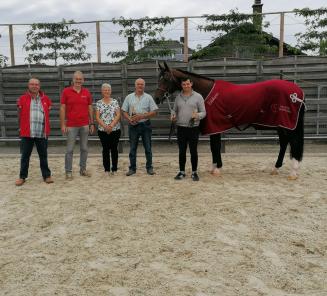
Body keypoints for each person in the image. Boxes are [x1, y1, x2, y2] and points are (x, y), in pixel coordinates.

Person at [15, 78, 54, 186]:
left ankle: (46, 176)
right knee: (25, 156)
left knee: (43, 155)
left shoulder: (46, 99)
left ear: (39, 86)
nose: (34, 86)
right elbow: (19, 114)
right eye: (32, 84)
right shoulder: (22, 98)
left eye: (36, 84)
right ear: (28, 85)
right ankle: (22, 177)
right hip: (27, 133)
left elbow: (48, 111)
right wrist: (20, 128)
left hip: (42, 133)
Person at [60, 71, 94, 180]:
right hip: (71, 125)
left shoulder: (86, 92)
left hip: (84, 125)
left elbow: (90, 107)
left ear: (83, 80)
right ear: (73, 79)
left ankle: (83, 169)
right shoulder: (66, 91)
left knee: (84, 148)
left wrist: (91, 123)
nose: (78, 81)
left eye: (80, 79)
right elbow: (62, 108)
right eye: (76, 79)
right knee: (69, 149)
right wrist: (62, 124)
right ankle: (68, 171)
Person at [171, 77, 206, 181]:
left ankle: (194, 172)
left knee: (193, 151)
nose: (186, 86)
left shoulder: (198, 97)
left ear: (191, 84)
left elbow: (204, 112)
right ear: (181, 85)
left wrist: (197, 115)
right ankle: (181, 172)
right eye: (184, 84)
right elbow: (174, 110)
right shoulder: (178, 97)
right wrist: (173, 115)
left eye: (187, 84)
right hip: (181, 128)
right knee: (181, 151)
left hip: (193, 128)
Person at [121, 78, 158, 176]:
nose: (140, 86)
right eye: (138, 84)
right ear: (135, 85)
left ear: (144, 86)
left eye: (142, 84)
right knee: (132, 148)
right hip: (133, 125)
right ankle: (132, 168)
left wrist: (142, 116)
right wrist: (129, 119)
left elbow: (154, 112)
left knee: (148, 148)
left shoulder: (149, 97)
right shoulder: (129, 97)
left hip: (145, 125)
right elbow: (124, 111)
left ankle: (149, 168)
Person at [95, 83, 121, 174]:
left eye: (108, 90)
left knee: (114, 149)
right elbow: (97, 117)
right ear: (102, 91)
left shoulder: (115, 102)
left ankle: (114, 168)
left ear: (111, 91)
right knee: (105, 149)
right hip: (102, 130)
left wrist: (111, 126)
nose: (107, 91)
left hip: (115, 129)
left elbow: (118, 115)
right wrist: (105, 126)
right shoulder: (98, 103)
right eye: (105, 90)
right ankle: (106, 169)